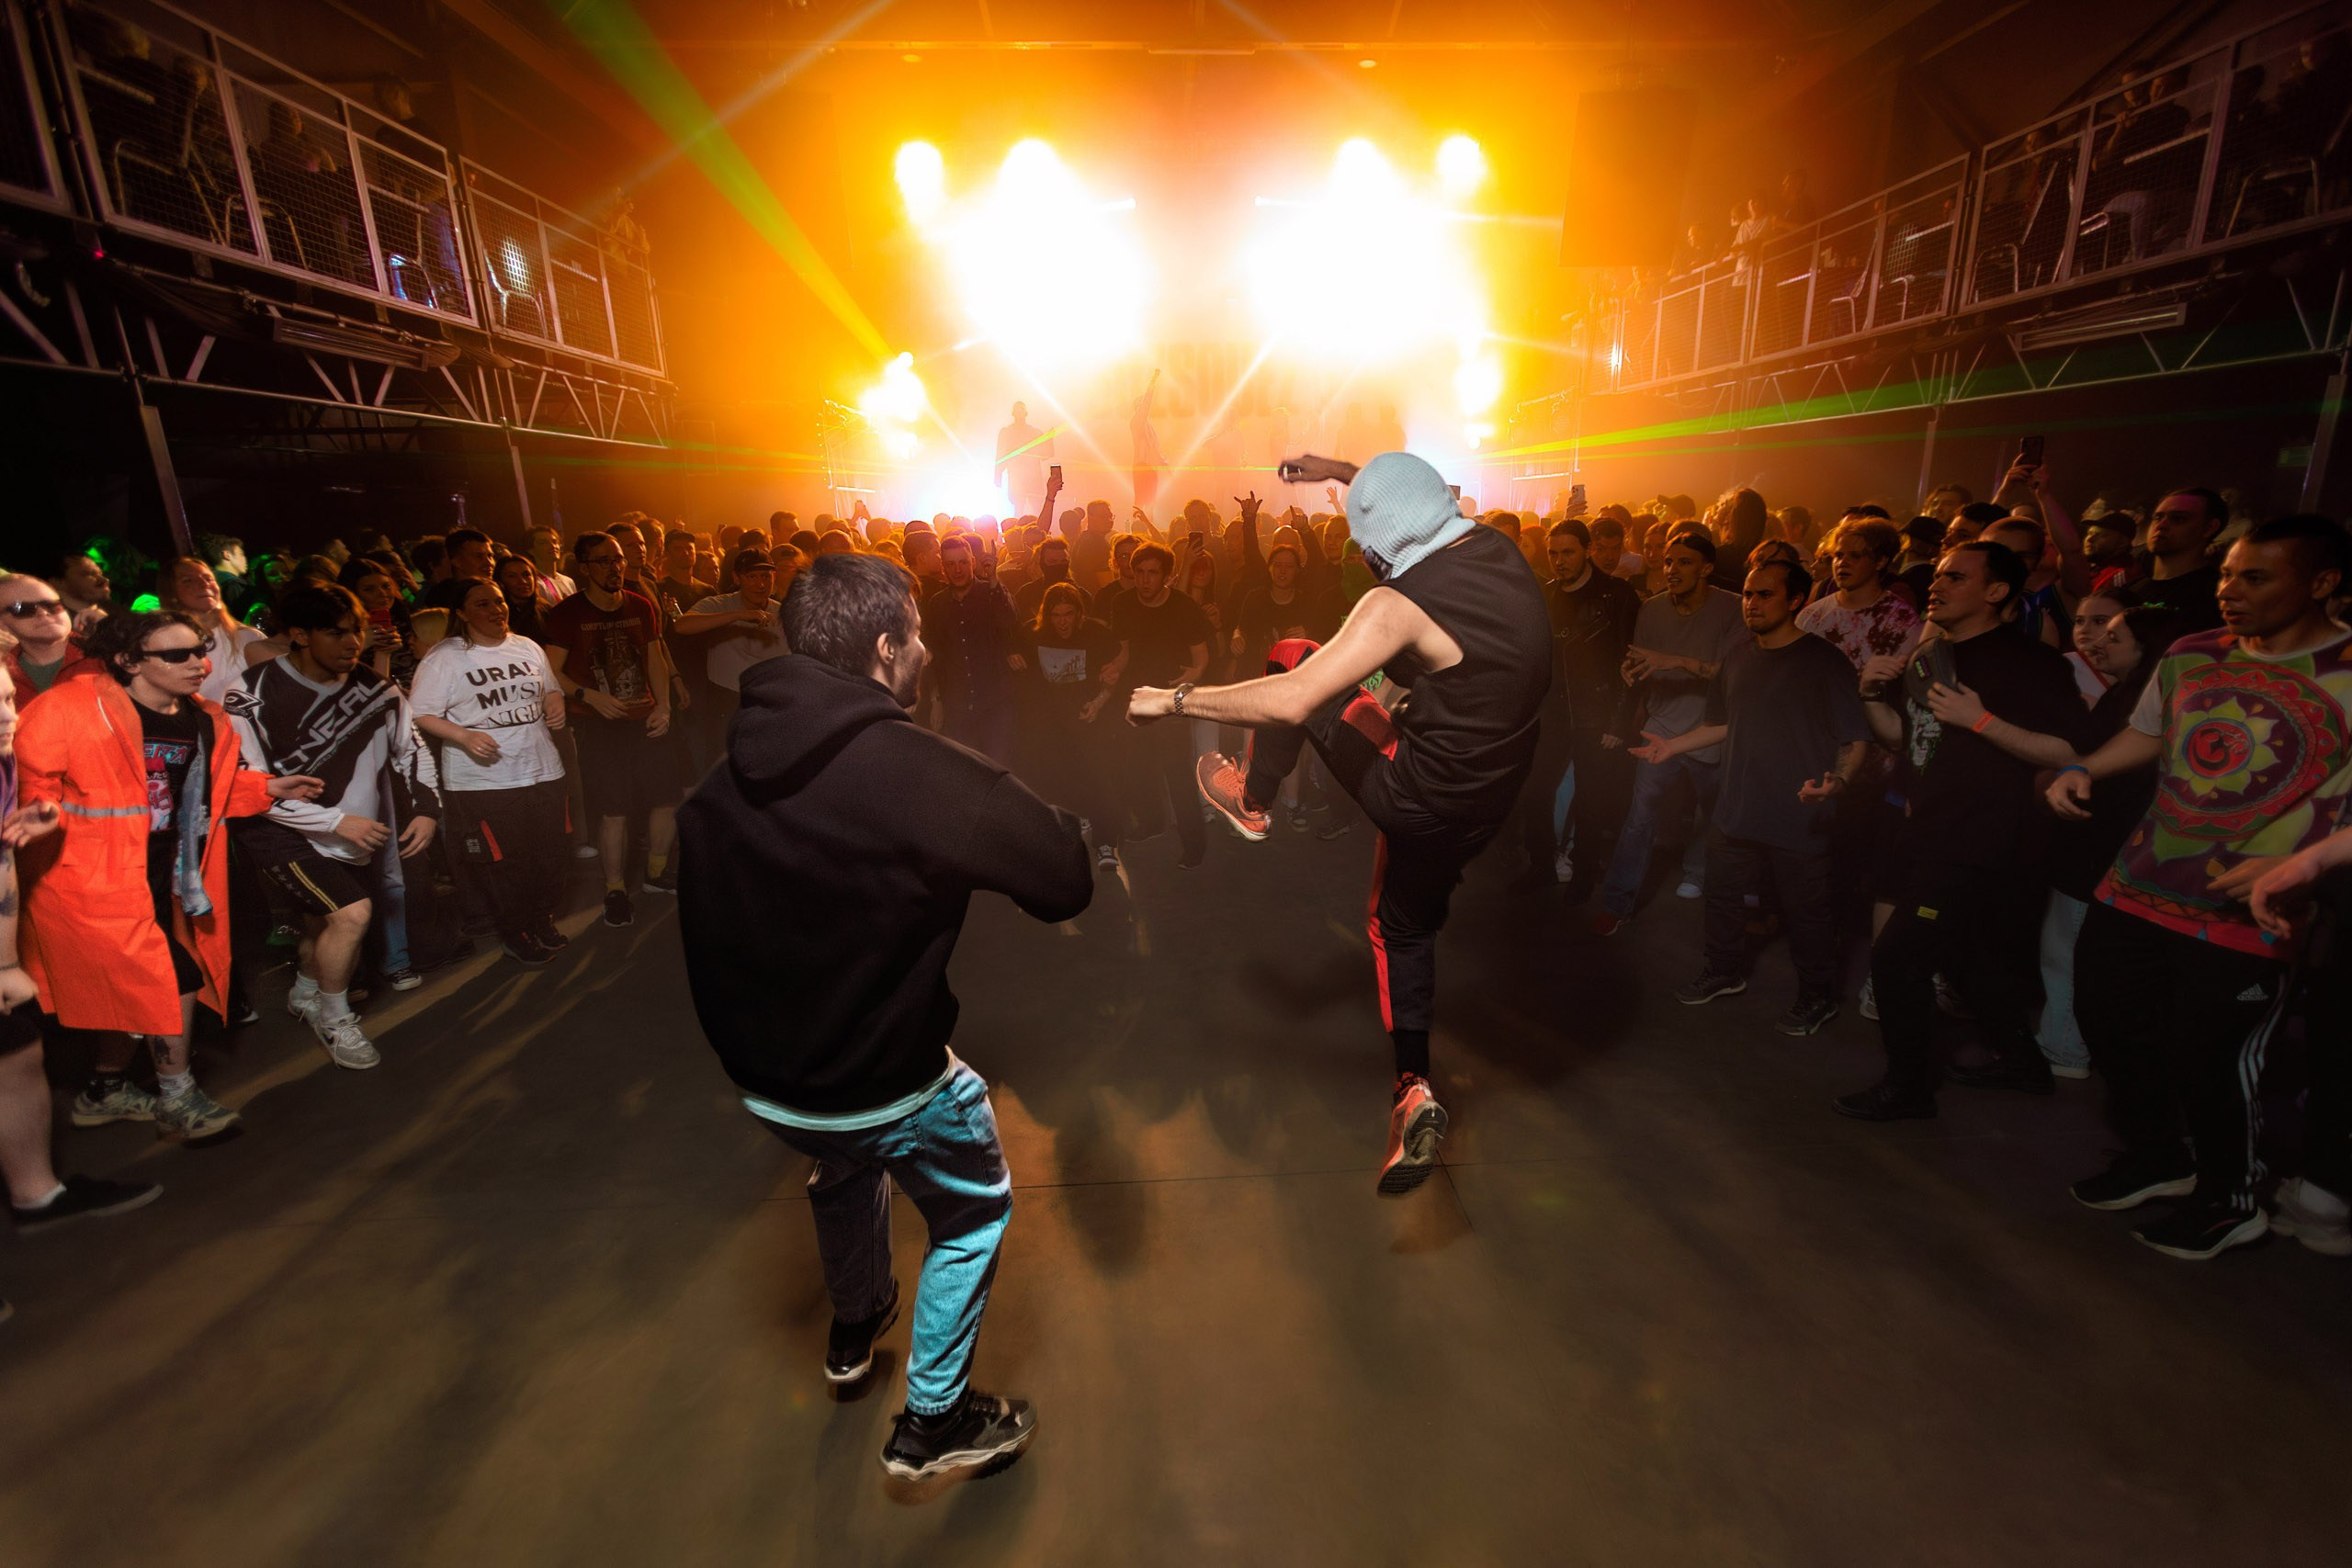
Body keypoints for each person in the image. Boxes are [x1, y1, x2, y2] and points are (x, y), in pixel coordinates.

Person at [677, 551, 1091, 1482]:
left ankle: (857, 1321)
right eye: (916, 633)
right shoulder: (925, 774)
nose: (927, 652)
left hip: (767, 1082)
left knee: (845, 1166)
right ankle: (935, 1421)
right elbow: (1064, 881)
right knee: (973, 1210)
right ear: (883, 645)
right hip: (879, 1080)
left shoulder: (718, 782)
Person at [1148, 451, 1551, 1195]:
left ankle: (1252, 799)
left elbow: (1292, 700)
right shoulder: (1499, 545)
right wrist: (1337, 467)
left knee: (1291, 655)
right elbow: (1406, 489)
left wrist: (1175, 701)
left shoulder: (1392, 604)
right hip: (1491, 796)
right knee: (1404, 927)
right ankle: (1412, 1089)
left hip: (1416, 793)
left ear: (1373, 555)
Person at [2052, 516, 2352, 1260]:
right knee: (2108, 1019)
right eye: (2226, 575)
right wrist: (2087, 765)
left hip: (2251, 909)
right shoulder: (2192, 653)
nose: (2230, 591)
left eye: (2255, 577)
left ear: (2321, 583)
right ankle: (2159, 1155)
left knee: (2214, 1056)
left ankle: (2231, 1197)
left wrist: (2307, 862)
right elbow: (2152, 733)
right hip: (2141, 881)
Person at [17, 611, 322, 1137]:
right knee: (174, 982)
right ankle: (179, 1098)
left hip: (165, 876)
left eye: (200, 649)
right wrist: (40, 809)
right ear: (128, 660)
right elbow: (31, 776)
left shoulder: (205, 718)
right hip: (89, 882)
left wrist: (266, 789)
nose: (198, 663)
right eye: (176, 655)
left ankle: (104, 1089)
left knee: (133, 996)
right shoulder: (71, 707)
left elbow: (210, 790)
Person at [1835, 544, 2086, 1122]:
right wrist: (1871, 694)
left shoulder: (2029, 663)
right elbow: (1903, 737)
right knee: (1968, 958)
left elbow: (2073, 748)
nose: (1937, 584)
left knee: (1897, 958)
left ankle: (1908, 1087)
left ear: (1997, 593)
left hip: (1979, 837)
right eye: (1939, 574)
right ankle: (2024, 1065)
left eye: (1956, 577)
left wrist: (1982, 721)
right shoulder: (1934, 655)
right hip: (1925, 828)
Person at [1639, 559, 1871, 1033]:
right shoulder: (1740, 656)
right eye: (1747, 594)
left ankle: (1818, 995)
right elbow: (1722, 723)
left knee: (1807, 915)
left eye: (1765, 595)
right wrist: (1672, 745)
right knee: (1722, 900)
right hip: (1737, 809)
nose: (1753, 603)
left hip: (1799, 813)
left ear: (1796, 601)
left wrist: (1839, 784)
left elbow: (1854, 738)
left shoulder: (1824, 662)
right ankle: (1723, 972)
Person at [226, 586, 440, 1066]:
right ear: (299, 635)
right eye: (336, 632)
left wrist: (427, 808)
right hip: (276, 829)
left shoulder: (376, 688)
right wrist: (336, 821)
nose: (352, 642)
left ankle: (306, 990)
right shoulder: (251, 692)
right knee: (353, 915)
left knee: (326, 923)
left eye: (357, 630)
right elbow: (252, 782)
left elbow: (413, 749)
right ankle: (335, 1018)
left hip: (350, 829)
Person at [0, 663, 162, 1275]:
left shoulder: (4, 761)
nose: (9, 716)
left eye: (10, 698)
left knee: (17, 1057)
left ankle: (37, 1195)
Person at [408, 580, 571, 967]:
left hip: (542, 768)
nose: (497, 609)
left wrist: (555, 702)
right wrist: (463, 735)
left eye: (499, 601)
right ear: (461, 614)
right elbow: (418, 712)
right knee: (507, 864)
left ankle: (541, 919)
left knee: (549, 855)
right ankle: (516, 933)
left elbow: (549, 687)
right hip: (485, 780)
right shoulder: (445, 657)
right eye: (483, 604)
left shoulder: (526, 646)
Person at [1592, 530, 1747, 935]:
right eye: (1668, 562)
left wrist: (1673, 660)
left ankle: (1699, 875)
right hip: (1661, 726)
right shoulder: (1654, 609)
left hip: (1711, 730)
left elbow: (1732, 676)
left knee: (1713, 816)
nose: (1672, 569)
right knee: (1640, 817)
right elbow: (1644, 664)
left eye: (1684, 562)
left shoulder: (1731, 610)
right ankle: (1616, 904)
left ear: (1707, 568)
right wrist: (1632, 674)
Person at [543, 533, 678, 924]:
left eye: (617, 559)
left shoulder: (640, 604)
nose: (614, 566)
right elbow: (549, 671)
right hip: (598, 726)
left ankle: (655, 873)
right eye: (603, 561)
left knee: (665, 799)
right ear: (584, 568)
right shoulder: (568, 613)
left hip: (647, 719)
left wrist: (665, 705)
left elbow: (655, 656)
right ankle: (615, 890)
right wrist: (588, 696)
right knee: (615, 812)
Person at [1520, 519, 1639, 897]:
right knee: (1534, 792)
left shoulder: (1616, 596)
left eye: (1568, 552)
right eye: (1553, 553)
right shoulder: (1547, 594)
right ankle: (1542, 867)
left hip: (1596, 713)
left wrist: (1619, 721)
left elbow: (1631, 664)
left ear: (1587, 550)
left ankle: (1584, 876)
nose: (1559, 560)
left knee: (1591, 798)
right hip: (1552, 713)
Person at [1105, 543, 1212, 869]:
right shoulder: (1122, 603)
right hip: (1136, 697)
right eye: (1139, 572)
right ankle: (1151, 822)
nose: (1144, 580)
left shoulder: (1184, 606)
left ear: (1167, 576)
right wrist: (1113, 669)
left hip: (1169, 699)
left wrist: (1192, 678)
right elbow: (1123, 650)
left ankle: (1194, 844)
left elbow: (1201, 657)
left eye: (1152, 573)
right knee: (1136, 767)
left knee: (1177, 774)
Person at [920, 536, 1019, 762]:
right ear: (943, 567)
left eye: (963, 562)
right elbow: (934, 655)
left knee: (998, 767)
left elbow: (1008, 621)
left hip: (995, 702)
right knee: (967, 772)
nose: (958, 570)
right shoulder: (937, 603)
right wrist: (936, 700)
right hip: (958, 706)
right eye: (951, 564)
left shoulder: (991, 593)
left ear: (973, 562)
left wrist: (994, 578)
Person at [677, 549, 793, 730]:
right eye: (752, 577)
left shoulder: (784, 612)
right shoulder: (719, 604)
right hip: (728, 700)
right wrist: (738, 615)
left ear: (774, 577)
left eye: (765, 576)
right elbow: (682, 625)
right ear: (737, 578)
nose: (760, 584)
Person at [157, 555, 282, 706]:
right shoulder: (164, 648)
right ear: (171, 593)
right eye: (188, 580)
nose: (204, 584)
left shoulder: (249, 638)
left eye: (209, 578)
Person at [2115, 488, 2226, 630]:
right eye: (2158, 518)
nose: (2161, 526)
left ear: (2209, 528)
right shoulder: (2130, 591)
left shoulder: (2219, 595)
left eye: (2178, 519)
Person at [0, 574, 98, 705]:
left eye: (52, 605)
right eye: (23, 609)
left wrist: (117, 627)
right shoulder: (4, 672)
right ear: (2, 624)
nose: (43, 613)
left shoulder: (106, 655)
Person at [993, 401, 1053, 517]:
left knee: (1036, 508)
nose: (1019, 412)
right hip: (1017, 476)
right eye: (1017, 409)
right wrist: (998, 473)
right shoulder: (1006, 432)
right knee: (1018, 508)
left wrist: (1049, 439)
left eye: (1022, 409)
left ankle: (1039, 531)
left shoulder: (1035, 432)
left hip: (1033, 476)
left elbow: (1045, 454)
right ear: (1013, 413)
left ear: (1026, 413)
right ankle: (1016, 532)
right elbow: (1000, 453)